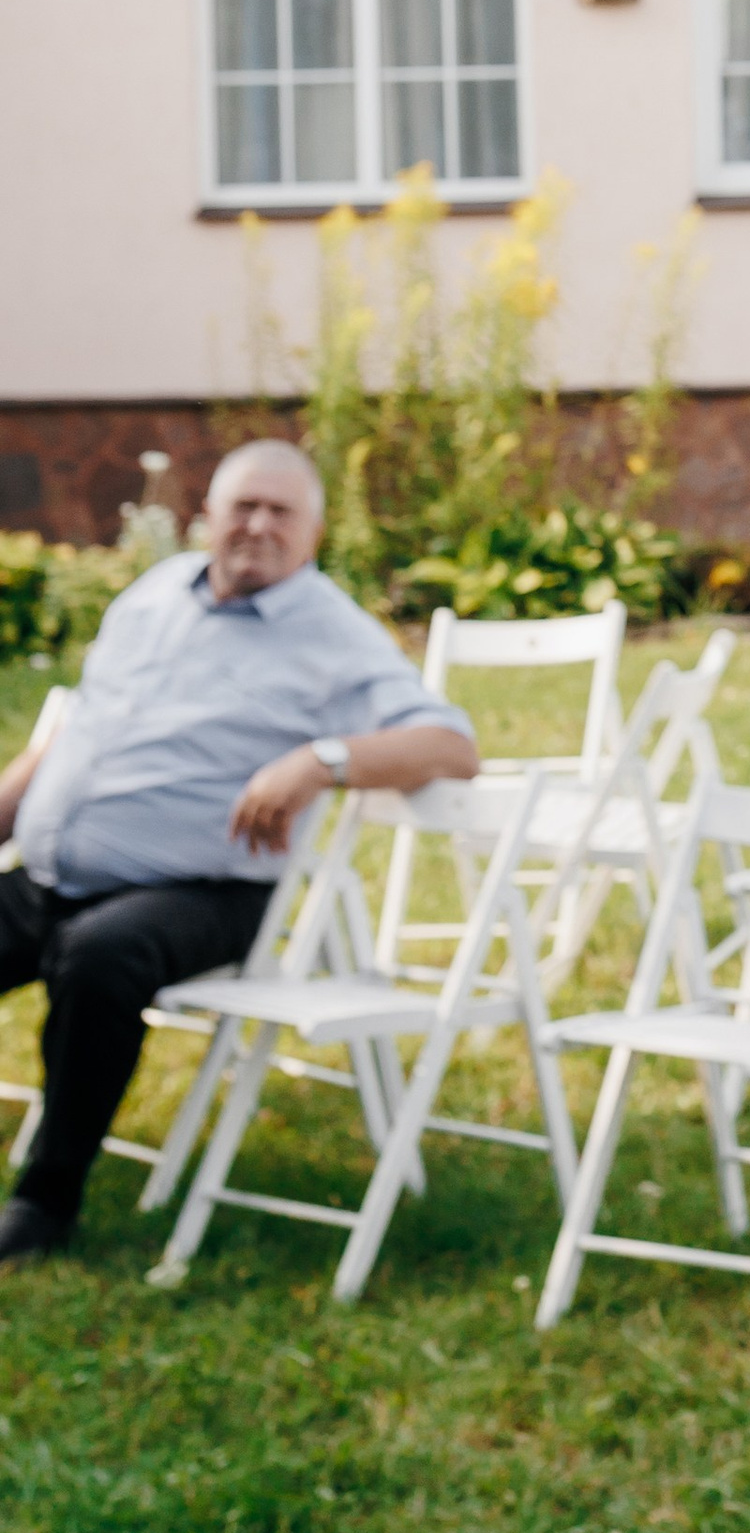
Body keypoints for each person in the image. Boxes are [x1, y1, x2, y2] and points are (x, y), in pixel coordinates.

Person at [0, 441, 477, 1265]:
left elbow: (451, 744)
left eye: (280, 512)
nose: (258, 525)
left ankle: (46, 1199)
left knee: (98, 957)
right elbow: (75, 730)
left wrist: (320, 760)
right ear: (206, 518)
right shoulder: (153, 594)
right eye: (243, 507)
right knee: (63, 931)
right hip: (50, 873)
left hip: (201, 891)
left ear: (314, 534)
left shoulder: (334, 633)